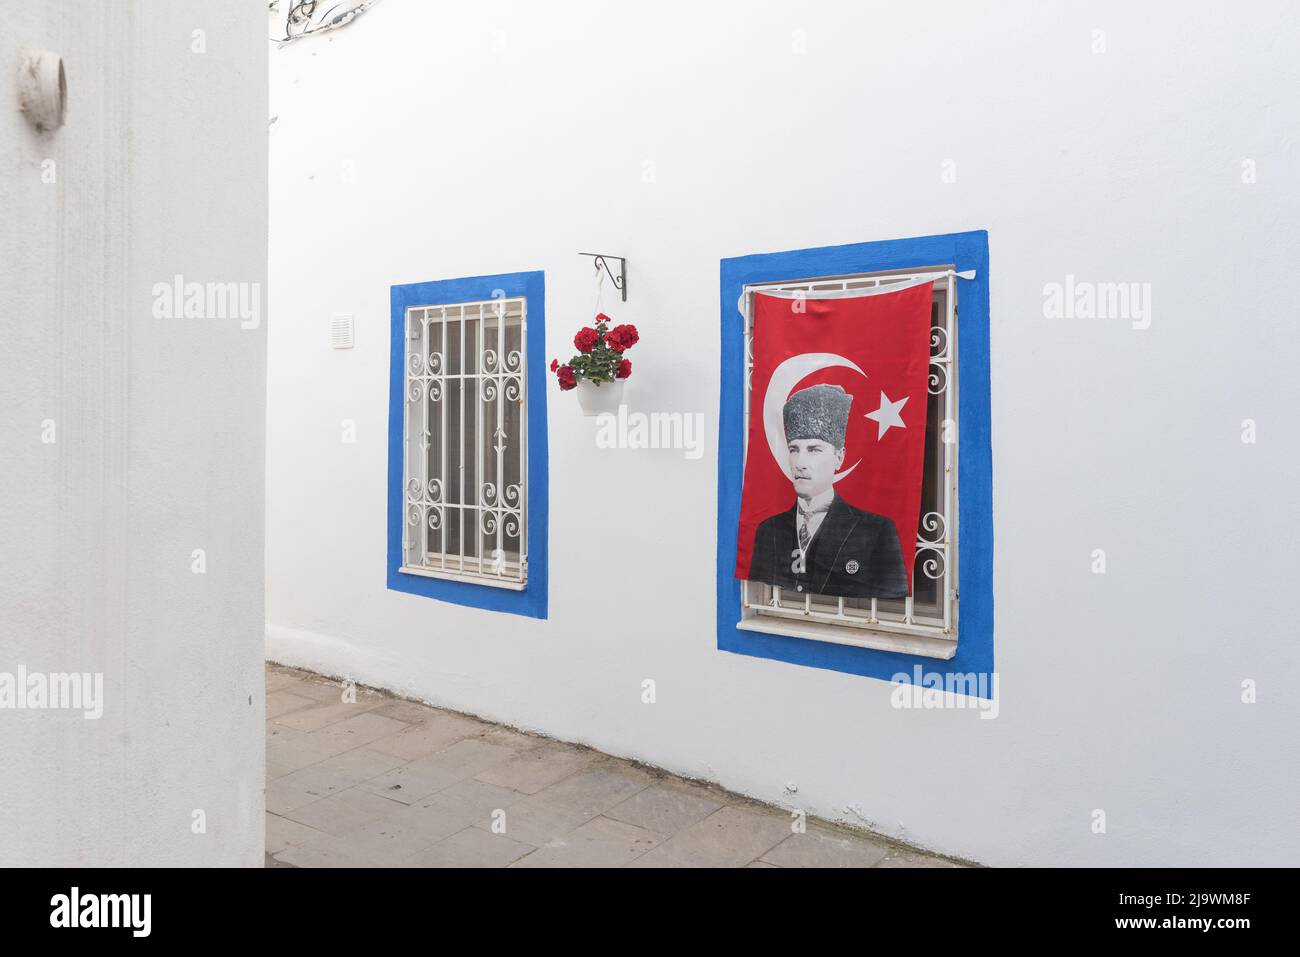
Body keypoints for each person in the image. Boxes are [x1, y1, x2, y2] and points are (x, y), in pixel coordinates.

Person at [748, 384, 908, 598]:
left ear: (839, 457)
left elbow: (889, 602)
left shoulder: (876, 531)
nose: (800, 463)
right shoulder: (769, 530)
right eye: (794, 449)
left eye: (814, 449)